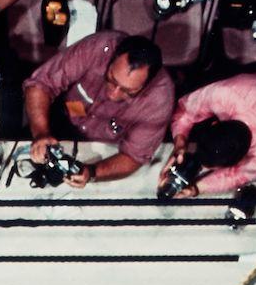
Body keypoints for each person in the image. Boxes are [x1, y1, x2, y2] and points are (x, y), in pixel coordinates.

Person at [21, 31, 174, 186]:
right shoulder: (97, 48)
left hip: (107, 150)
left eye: (128, 91)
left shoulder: (160, 99)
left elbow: (134, 157)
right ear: (112, 58)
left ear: (147, 85)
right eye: (111, 80)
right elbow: (41, 84)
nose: (113, 95)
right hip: (56, 125)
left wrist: (92, 172)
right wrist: (41, 132)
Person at [162, 67, 256, 195]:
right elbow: (186, 109)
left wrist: (197, 188)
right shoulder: (224, 94)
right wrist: (180, 142)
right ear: (214, 124)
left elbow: (240, 176)